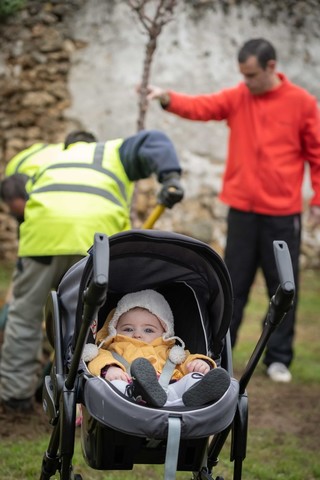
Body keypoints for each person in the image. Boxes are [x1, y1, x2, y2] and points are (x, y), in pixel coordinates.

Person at [143, 38, 320, 383]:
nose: (246, 82)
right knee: (232, 284)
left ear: (271, 67)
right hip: (241, 211)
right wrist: (167, 97)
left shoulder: (302, 102)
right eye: (242, 75)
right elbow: (202, 106)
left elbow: (317, 154)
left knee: (283, 286)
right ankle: (222, 353)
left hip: (282, 214)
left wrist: (317, 200)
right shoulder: (239, 97)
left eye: (251, 75)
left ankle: (279, 358)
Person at [0, 129, 184, 413]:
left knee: (24, 316)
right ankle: (91, 392)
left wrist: (25, 216)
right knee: (93, 319)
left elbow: (12, 187)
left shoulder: (38, 154)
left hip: (43, 236)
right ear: (93, 144)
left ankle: (15, 398)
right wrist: (170, 179)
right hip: (99, 242)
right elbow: (155, 141)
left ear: (66, 145)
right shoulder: (111, 153)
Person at [83, 289, 231, 408]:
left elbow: (187, 360)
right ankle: (147, 395)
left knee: (193, 378)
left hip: (171, 388)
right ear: (114, 330)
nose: (137, 335)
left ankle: (192, 395)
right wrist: (110, 369)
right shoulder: (112, 349)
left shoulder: (172, 352)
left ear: (165, 333)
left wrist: (199, 364)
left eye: (148, 330)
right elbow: (99, 359)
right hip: (130, 392)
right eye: (128, 329)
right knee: (115, 386)